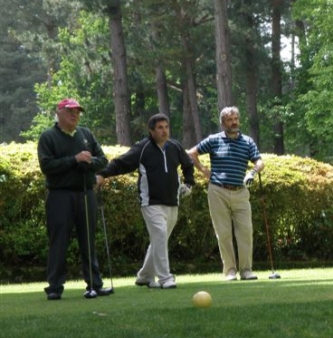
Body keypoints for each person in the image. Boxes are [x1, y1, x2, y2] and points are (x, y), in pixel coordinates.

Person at [96, 113, 195, 289]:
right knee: (160, 235)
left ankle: (144, 276)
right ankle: (165, 278)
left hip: (172, 201)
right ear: (151, 131)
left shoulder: (175, 146)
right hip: (150, 202)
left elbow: (188, 164)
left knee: (159, 240)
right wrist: (103, 174)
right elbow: (121, 163)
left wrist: (189, 183)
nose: (164, 131)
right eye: (160, 128)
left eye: (166, 127)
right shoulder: (142, 148)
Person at [37, 98, 112, 300]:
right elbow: (47, 167)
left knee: (88, 240)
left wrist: (89, 162)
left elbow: (102, 160)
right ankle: (54, 287)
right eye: (70, 111)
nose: (75, 115)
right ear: (59, 112)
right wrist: (74, 160)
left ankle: (94, 285)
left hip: (86, 193)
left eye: (78, 111)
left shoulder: (86, 134)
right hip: (60, 195)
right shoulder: (48, 137)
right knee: (58, 241)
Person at [188, 106, 264, 281]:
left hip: (240, 190)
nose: (234, 122)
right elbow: (192, 153)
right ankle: (230, 271)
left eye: (236, 118)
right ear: (223, 123)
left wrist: (253, 171)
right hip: (218, 190)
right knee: (223, 233)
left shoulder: (247, 141)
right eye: (230, 119)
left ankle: (246, 270)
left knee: (245, 231)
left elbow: (259, 161)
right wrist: (203, 170)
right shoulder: (214, 140)